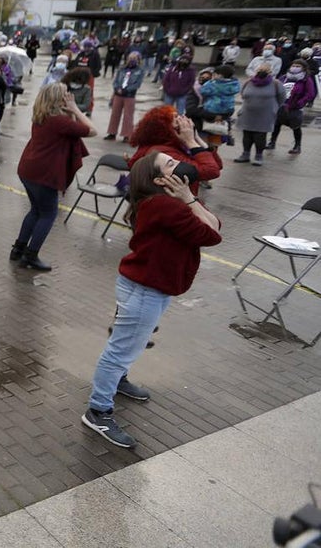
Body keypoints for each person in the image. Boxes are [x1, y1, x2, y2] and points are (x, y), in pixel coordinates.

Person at [82, 151, 221, 448]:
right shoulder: (166, 206)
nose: (178, 163)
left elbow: (214, 224)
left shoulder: (163, 203)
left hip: (145, 286)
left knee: (127, 344)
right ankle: (98, 410)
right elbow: (212, 234)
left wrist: (188, 198)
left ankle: (117, 381)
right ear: (159, 179)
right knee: (119, 349)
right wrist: (189, 199)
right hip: (145, 290)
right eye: (170, 163)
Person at [12, 83, 97, 271]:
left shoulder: (41, 117)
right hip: (44, 175)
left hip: (28, 169)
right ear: (59, 99)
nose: (69, 97)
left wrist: (71, 112)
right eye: (66, 95)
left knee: (35, 211)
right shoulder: (60, 122)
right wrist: (75, 108)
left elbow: (73, 127)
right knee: (48, 214)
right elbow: (92, 130)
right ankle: (31, 256)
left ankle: (18, 249)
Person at [128, 106, 222, 196]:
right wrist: (191, 141)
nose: (184, 122)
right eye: (177, 119)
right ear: (166, 129)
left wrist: (197, 139)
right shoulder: (164, 152)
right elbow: (211, 171)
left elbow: (217, 165)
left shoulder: (176, 144)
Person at [234, 61, 287, 166]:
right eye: (259, 70)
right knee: (247, 135)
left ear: (270, 72)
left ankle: (258, 155)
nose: (261, 72)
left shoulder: (276, 84)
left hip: (265, 115)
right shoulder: (248, 82)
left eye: (265, 70)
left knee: (260, 136)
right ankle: (245, 154)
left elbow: (282, 99)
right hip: (247, 113)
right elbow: (243, 95)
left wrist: (273, 108)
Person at [268, 60, 317, 154]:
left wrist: (300, 103)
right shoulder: (284, 77)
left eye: (298, 66)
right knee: (276, 124)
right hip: (281, 106)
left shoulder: (306, 79)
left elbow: (310, 93)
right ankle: (272, 142)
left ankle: (297, 146)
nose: (295, 67)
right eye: (293, 65)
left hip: (295, 108)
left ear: (303, 68)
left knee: (296, 127)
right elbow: (276, 87)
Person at [105, 52, 145, 141]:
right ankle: (112, 133)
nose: (132, 60)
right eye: (130, 58)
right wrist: (116, 88)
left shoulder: (140, 70)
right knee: (115, 114)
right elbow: (115, 81)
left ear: (138, 60)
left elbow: (137, 84)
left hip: (129, 95)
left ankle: (126, 135)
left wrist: (126, 90)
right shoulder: (122, 69)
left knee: (128, 115)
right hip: (118, 94)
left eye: (134, 58)